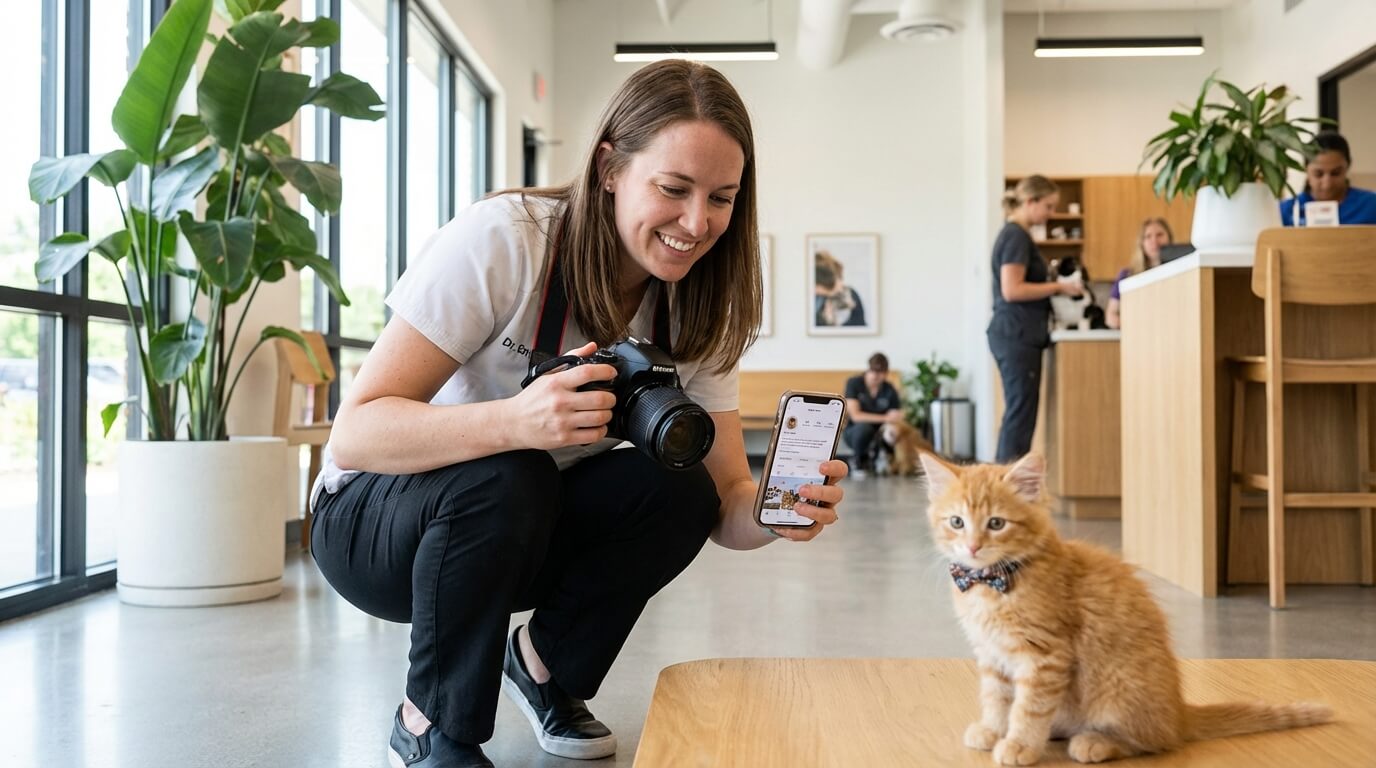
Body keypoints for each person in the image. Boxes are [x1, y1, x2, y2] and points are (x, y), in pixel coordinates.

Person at [308, 60, 847, 768]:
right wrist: (517, 421)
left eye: (722, 198)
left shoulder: (699, 299)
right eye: (674, 189)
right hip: (377, 527)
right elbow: (358, 429)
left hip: (517, 530)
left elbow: (722, 507)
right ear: (609, 168)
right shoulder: (507, 240)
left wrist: (780, 514)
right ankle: (429, 724)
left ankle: (543, 668)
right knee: (509, 471)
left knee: (680, 485)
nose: (697, 223)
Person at [987, 175, 1083, 464]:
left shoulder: (1016, 234)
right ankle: (1003, 489)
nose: (1051, 215)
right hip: (1016, 334)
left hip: (1016, 334)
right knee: (1019, 415)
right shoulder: (1016, 235)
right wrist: (1059, 287)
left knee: (1020, 413)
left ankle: (1005, 487)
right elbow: (1012, 289)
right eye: (1049, 206)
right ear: (1030, 202)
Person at [1280, 131, 1376, 226]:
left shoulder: (1371, 205)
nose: (1327, 184)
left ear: (1348, 166)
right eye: (1318, 174)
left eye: (1336, 173)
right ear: (1306, 169)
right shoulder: (1286, 212)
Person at [1105, 218, 1173, 329]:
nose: (1154, 241)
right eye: (1148, 236)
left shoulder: (1178, 274)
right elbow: (1111, 316)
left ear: (1169, 239)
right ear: (1141, 243)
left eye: (1160, 235)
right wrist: (1138, 326)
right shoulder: (1126, 276)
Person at [843, 352, 903, 476]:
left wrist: (890, 422)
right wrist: (885, 417)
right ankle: (859, 462)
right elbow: (856, 416)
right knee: (864, 428)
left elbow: (895, 416)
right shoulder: (854, 383)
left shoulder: (889, 389)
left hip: (879, 432)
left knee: (894, 430)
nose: (875, 375)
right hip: (855, 431)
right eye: (873, 370)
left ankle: (889, 463)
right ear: (868, 369)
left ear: (886, 373)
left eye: (880, 372)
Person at [813, 250, 866, 327]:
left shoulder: (850, 293)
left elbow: (861, 326)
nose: (840, 287)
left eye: (840, 277)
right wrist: (827, 322)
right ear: (817, 286)